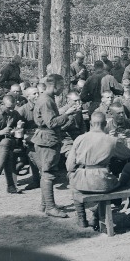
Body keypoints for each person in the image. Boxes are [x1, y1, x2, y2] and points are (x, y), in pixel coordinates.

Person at [66, 111, 130, 229]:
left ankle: (82, 218)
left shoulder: (80, 138)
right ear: (105, 124)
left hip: (82, 180)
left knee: (72, 180)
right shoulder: (111, 140)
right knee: (109, 187)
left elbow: (70, 166)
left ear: (91, 123)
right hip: (102, 181)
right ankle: (96, 216)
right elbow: (127, 155)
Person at [31, 74, 80, 218]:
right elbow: (51, 122)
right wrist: (68, 114)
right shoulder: (46, 100)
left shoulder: (47, 98)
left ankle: (45, 204)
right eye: (62, 85)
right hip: (47, 139)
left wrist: (65, 110)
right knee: (48, 173)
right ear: (54, 85)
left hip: (46, 138)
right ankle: (50, 207)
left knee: (46, 172)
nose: (63, 89)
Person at [16, 85, 41, 190]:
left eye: (38, 93)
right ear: (28, 96)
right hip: (28, 137)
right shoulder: (22, 110)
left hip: (42, 134)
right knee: (32, 150)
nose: (37, 95)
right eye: (34, 94)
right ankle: (36, 179)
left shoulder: (42, 106)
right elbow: (17, 129)